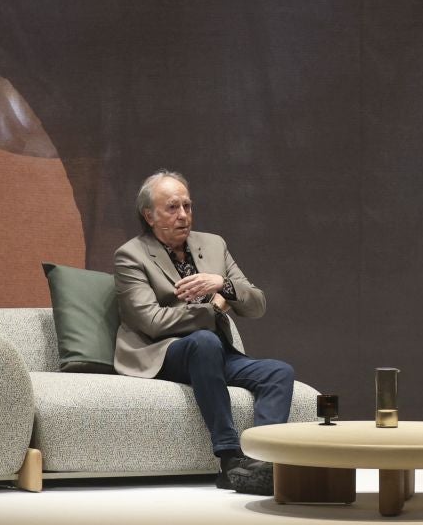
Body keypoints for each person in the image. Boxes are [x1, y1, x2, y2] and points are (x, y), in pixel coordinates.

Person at [114, 170, 294, 495]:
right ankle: (229, 460)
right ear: (149, 215)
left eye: (187, 205)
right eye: (172, 208)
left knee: (279, 372)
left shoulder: (213, 244)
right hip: (163, 352)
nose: (183, 215)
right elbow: (152, 321)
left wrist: (221, 284)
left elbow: (257, 303)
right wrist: (213, 307)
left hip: (213, 352)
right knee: (205, 342)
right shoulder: (131, 255)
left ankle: (262, 463)